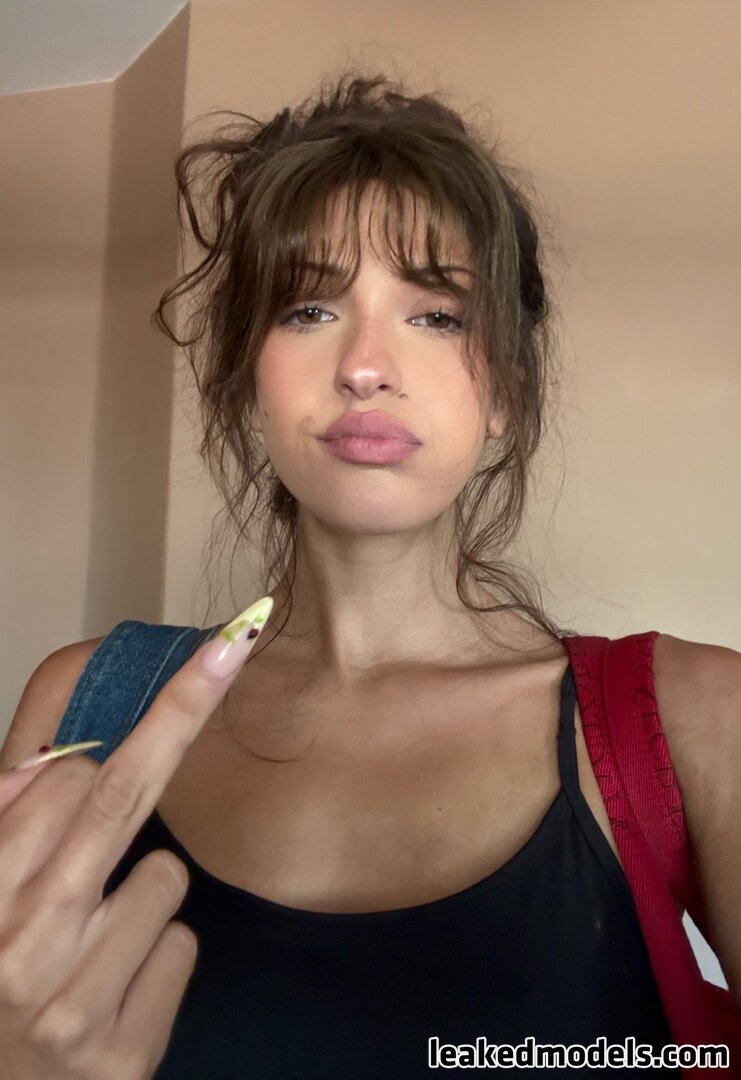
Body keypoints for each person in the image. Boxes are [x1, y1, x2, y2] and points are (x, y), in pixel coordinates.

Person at [0, 69, 738, 1080]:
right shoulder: (81, 701)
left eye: (436, 314)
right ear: (244, 385)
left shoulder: (698, 717)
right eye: (307, 309)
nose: (364, 366)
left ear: (505, 394)